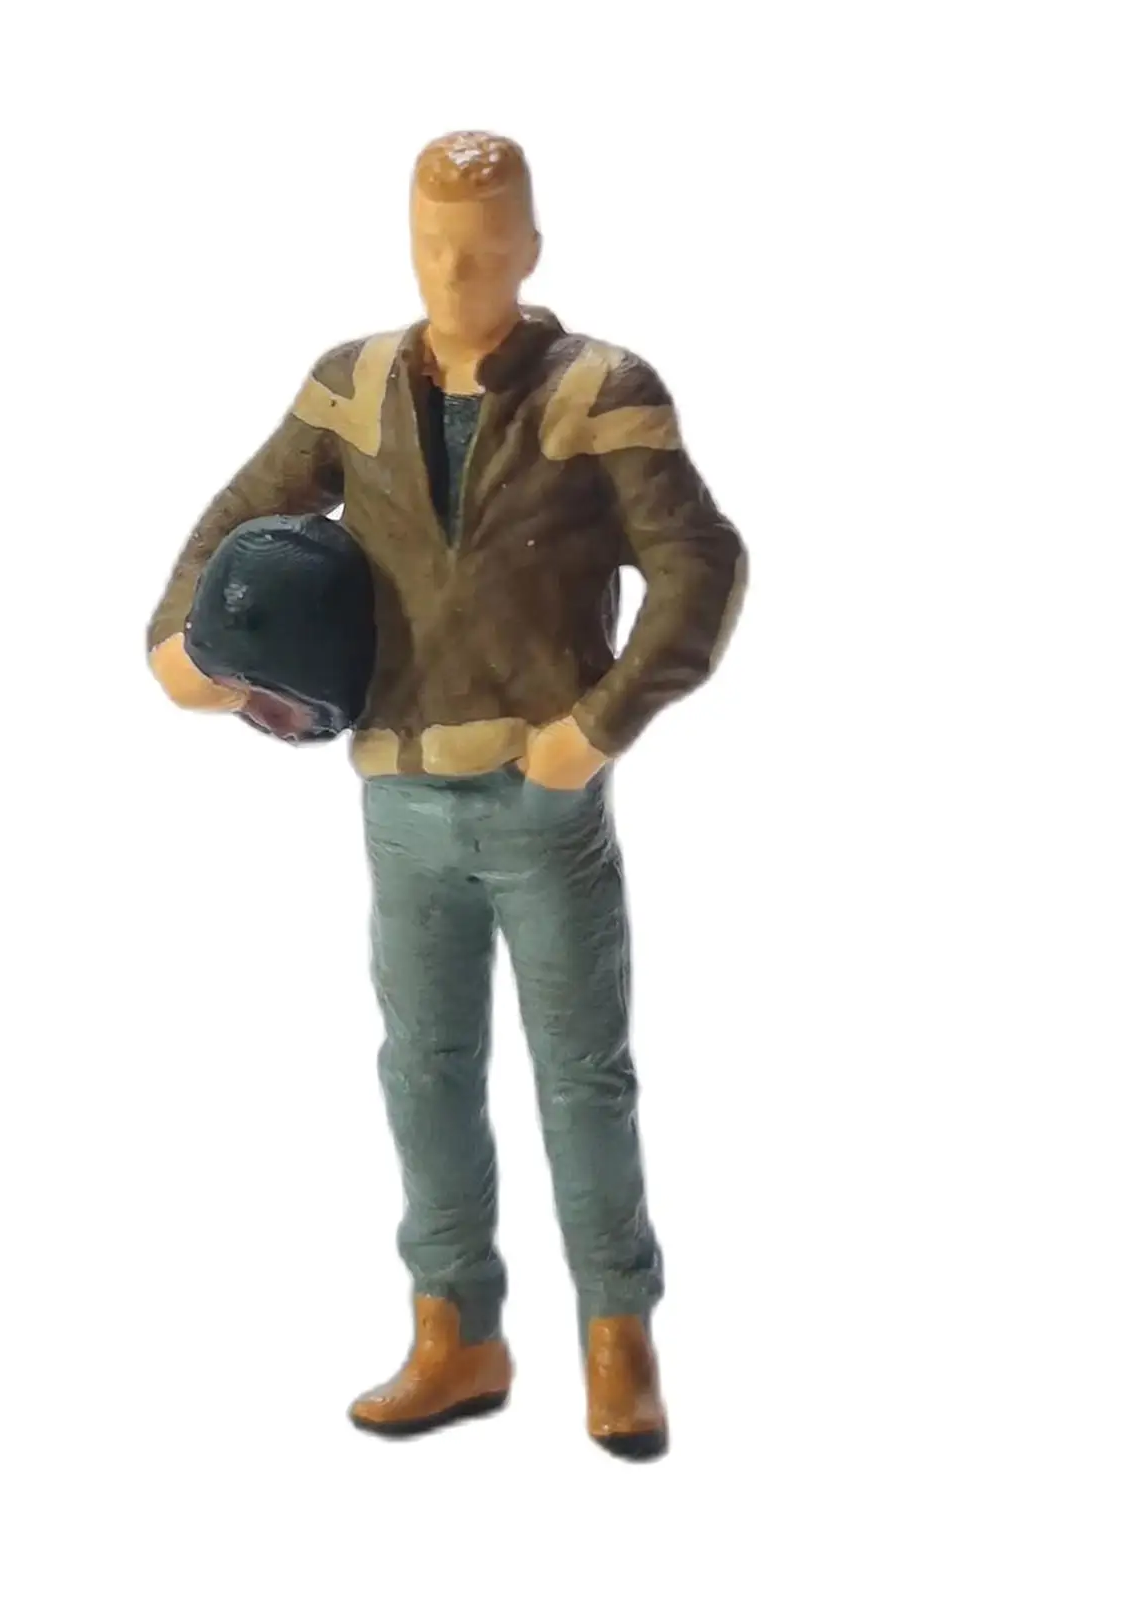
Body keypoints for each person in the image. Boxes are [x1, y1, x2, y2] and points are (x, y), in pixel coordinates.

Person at [146, 129, 748, 1459]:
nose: (456, 273)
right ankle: (453, 1326)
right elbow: (238, 514)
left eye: (482, 249)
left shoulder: (597, 390)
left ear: (530, 249)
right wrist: (187, 646)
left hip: (543, 803)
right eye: (431, 247)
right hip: (400, 802)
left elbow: (700, 567)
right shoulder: (352, 384)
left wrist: (597, 726)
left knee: (581, 1079)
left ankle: (618, 1334)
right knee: (423, 1074)